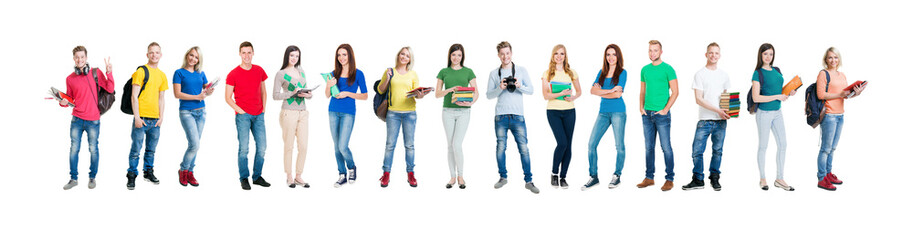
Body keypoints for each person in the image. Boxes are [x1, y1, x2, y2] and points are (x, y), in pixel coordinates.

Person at [486, 41, 540, 194]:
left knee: (524, 149)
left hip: (518, 116)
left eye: (507, 53)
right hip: (500, 116)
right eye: (502, 54)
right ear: (498, 55)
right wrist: (499, 88)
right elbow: (488, 95)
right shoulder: (493, 73)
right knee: (500, 148)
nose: (505, 56)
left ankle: (528, 181)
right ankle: (503, 178)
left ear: (511, 53)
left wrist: (519, 85)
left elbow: (531, 91)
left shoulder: (521, 71)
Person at [60, 46, 115, 190]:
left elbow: (109, 89)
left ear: (86, 58)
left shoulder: (95, 73)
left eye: (82, 57)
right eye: (77, 57)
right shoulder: (70, 79)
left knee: (93, 149)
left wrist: (109, 73)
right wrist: (63, 103)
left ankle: (92, 177)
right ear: (74, 59)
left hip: (93, 120)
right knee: (74, 149)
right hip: (76, 119)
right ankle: (73, 179)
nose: (80, 60)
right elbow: (70, 99)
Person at [815, 47, 866, 191]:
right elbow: (821, 95)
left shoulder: (842, 75)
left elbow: (845, 95)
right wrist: (840, 94)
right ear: (826, 59)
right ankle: (821, 178)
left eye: (836, 57)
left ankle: (828, 174)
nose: (833, 60)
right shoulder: (823, 74)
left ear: (839, 59)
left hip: (840, 115)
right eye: (830, 57)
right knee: (825, 149)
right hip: (829, 115)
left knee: (832, 148)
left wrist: (856, 93)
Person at [683, 42, 731, 191]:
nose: (713, 55)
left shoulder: (724, 75)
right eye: (711, 53)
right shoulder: (700, 74)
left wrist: (729, 111)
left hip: (721, 121)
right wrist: (717, 110)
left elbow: (726, 97)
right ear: (706, 54)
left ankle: (714, 178)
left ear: (720, 55)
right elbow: (698, 99)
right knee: (697, 151)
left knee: (718, 151)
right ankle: (698, 179)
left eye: (716, 53)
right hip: (704, 120)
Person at [377, 46, 426, 188]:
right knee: (390, 145)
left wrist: (420, 95)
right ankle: (386, 174)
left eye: (407, 56)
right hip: (393, 113)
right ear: (399, 55)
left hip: (410, 113)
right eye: (402, 54)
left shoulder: (413, 74)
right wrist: (387, 78)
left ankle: (410, 174)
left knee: (409, 146)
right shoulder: (389, 71)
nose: (404, 57)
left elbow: (417, 94)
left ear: (410, 59)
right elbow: (381, 89)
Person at [225, 41, 271, 190]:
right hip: (243, 116)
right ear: (239, 54)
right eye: (243, 52)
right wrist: (240, 110)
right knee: (244, 148)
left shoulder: (259, 70)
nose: (246, 55)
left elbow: (264, 91)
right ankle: (244, 178)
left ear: (253, 53)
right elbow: (227, 97)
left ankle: (257, 176)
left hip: (259, 115)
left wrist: (264, 108)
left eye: (249, 52)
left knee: (262, 147)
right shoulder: (233, 74)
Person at [751, 43, 796, 191]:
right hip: (764, 113)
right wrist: (777, 96)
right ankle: (763, 179)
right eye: (765, 54)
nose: (768, 57)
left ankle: (779, 178)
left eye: (770, 54)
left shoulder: (777, 70)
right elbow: (756, 97)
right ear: (760, 55)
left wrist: (788, 92)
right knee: (763, 146)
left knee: (783, 144)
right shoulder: (757, 73)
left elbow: (778, 90)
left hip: (778, 113)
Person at [581, 44, 626, 191]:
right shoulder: (601, 72)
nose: (611, 57)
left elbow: (618, 95)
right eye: (608, 55)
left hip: (618, 111)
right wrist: (610, 90)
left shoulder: (622, 72)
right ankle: (593, 177)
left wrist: (602, 91)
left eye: (614, 54)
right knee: (591, 144)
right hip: (603, 113)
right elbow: (592, 91)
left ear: (618, 56)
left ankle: (617, 175)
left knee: (619, 145)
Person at [435, 43, 478, 189]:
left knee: (457, 144)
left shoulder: (468, 72)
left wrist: (469, 103)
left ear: (462, 56)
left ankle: (461, 175)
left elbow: (476, 93)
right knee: (449, 145)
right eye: (453, 55)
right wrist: (450, 90)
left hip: (464, 112)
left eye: (459, 55)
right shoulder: (443, 71)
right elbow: (437, 94)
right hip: (447, 111)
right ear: (450, 56)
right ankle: (452, 177)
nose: (456, 57)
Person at [637, 40, 679, 191]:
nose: (652, 53)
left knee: (666, 147)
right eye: (650, 50)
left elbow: (675, 92)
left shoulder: (668, 69)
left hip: (662, 115)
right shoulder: (644, 70)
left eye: (655, 50)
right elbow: (642, 91)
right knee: (648, 147)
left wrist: (666, 109)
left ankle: (669, 179)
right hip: (646, 114)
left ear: (661, 52)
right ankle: (649, 178)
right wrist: (640, 107)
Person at [127, 42, 169, 190]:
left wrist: (161, 117)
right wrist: (137, 117)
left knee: (151, 150)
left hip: (155, 120)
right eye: (151, 52)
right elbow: (134, 96)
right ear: (147, 55)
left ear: (161, 55)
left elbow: (161, 98)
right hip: (142, 118)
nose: (154, 55)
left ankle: (148, 172)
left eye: (157, 52)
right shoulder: (141, 72)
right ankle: (131, 174)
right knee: (136, 150)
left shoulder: (162, 75)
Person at [326, 44, 368, 188]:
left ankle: (351, 167)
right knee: (336, 146)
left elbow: (365, 96)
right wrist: (329, 84)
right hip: (333, 110)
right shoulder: (333, 73)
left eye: (344, 54)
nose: (341, 58)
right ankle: (342, 174)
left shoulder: (358, 73)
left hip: (348, 113)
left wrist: (347, 93)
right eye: (339, 55)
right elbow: (327, 95)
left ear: (350, 55)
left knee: (343, 146)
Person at [541, 44, 581, 189]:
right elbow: (546, 95)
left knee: (568, 145)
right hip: (553, 112)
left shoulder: (571, 73)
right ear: (553, 56)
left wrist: (573, 97)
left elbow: (579, 91)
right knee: (562, 143)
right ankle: (554, 173)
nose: (559, 56)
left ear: (565, 56)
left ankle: (563, 177)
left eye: (562, 54)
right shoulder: (547, 74)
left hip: (570, 111)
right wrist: (561, 93)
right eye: (556, 53)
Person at [173, 46, 214, 187]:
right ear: (187, 55)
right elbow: (177, 94)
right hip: (186, 112)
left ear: (198, 60)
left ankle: (190, 172)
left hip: (201, 112)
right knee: (194, 144)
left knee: (195, 145)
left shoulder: (200, 73)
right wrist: (197, 96)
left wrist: (209, 91)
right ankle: (183, 169)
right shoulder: (179, 73)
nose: (193, 59)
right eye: (191, 55)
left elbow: (205, 90)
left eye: (196, 57)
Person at [272, 45, 312, 188]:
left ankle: (298, 176)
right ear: (287, 56)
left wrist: (308, 94)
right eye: (292, 55)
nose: (294, 58)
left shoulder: (301, 72)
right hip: (288, 112)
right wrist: (292, 93)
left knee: (303, 146)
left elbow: (307, 91)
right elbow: (275, 96)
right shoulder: (281, 74)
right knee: (288, 146)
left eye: (297, 56)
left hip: (303, 112)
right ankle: (289, 176)